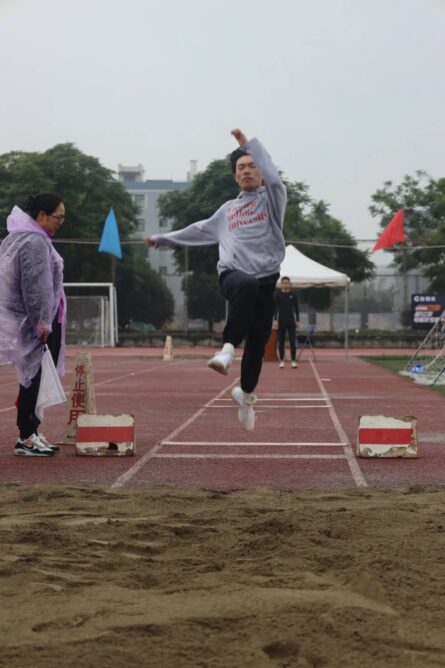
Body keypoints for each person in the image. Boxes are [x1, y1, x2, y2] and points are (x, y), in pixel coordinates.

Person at [145, 128, 286, 432]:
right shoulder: (227, 211)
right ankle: (227, 350)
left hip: (266, 282)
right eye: (241, 168)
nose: (246, 171)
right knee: (246, 285)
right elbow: (196, 231)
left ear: (261, 171)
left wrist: (247, 145)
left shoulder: (272, 201)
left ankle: (245, 396)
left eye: (252, 166)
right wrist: (161, 239)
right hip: (232, 276)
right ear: (235, 177)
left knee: (258, 344)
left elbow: (275, 179)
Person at [0, 193, 67, 456]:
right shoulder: (35, 240)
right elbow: (35, 285)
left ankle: (31, 431)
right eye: (58, 217)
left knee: (34, 376)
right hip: (37, 323)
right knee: (33, 377)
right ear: (41, 215)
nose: (60, 222)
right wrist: (42, 321)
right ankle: (26, 436)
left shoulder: (23, 236)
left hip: (36, 320)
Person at [274, 276, 300, 368]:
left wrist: (297, 320)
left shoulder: (293, 295)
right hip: (281, 320)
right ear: (281, 284)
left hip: (291, 321)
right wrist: (275, 320)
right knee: (281, 341)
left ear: (290, 284)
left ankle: (293, 361)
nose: (285, 284)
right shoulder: (278, 295)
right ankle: (282, 361)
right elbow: (275, 309)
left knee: (292, 341)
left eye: (287, 283)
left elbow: (296, 308)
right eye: (284, 283)